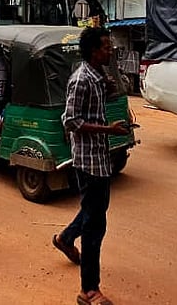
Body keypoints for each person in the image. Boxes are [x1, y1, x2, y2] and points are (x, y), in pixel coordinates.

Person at [53, 26, 131, 305]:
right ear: (93, 51)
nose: (110, 51)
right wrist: (108, 130)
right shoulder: (81, 79)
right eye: (106, 47)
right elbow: (70, 121)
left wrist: (109, 88)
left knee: (93, 211)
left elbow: (92, 109)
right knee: (95, 225)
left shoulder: (99, 76)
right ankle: (89, 290)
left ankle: (65, 238)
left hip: (100, 157)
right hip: (89, 161)